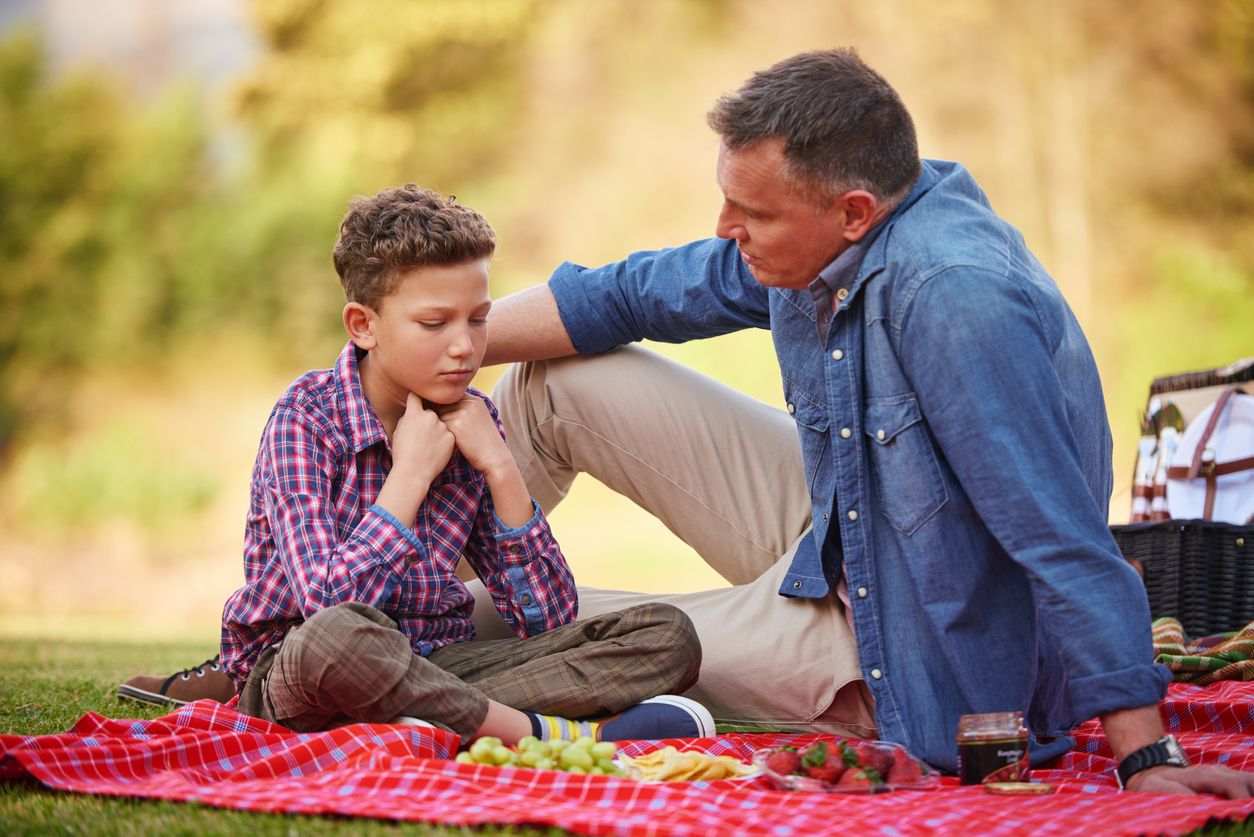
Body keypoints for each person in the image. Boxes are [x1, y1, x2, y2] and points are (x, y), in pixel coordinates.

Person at [462, 49, 1253, 796]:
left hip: (908, 656)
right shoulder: (834, 236)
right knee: (559, 379)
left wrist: (1147, 754)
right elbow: (627, 294)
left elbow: (1063, 539)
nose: (723, 228)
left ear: (852, 210)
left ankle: (399, 621)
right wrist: (415, 344)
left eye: (751, 213)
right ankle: (394, 572)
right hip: (845, 529)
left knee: (495, 628)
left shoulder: (954, 302)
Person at [120, 184, 714, 746]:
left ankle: (417, 719)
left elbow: (549, 620)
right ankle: (540, 733)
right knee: (339, 640)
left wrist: (501, 469)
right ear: (363, 326)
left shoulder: (475, 420)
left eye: (478, 319)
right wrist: (409, 477)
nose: (465, 346)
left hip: (441, 663)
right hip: (307, 667)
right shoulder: (306, 419)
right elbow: (328, 608)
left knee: (666, 637)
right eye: (435, 324)